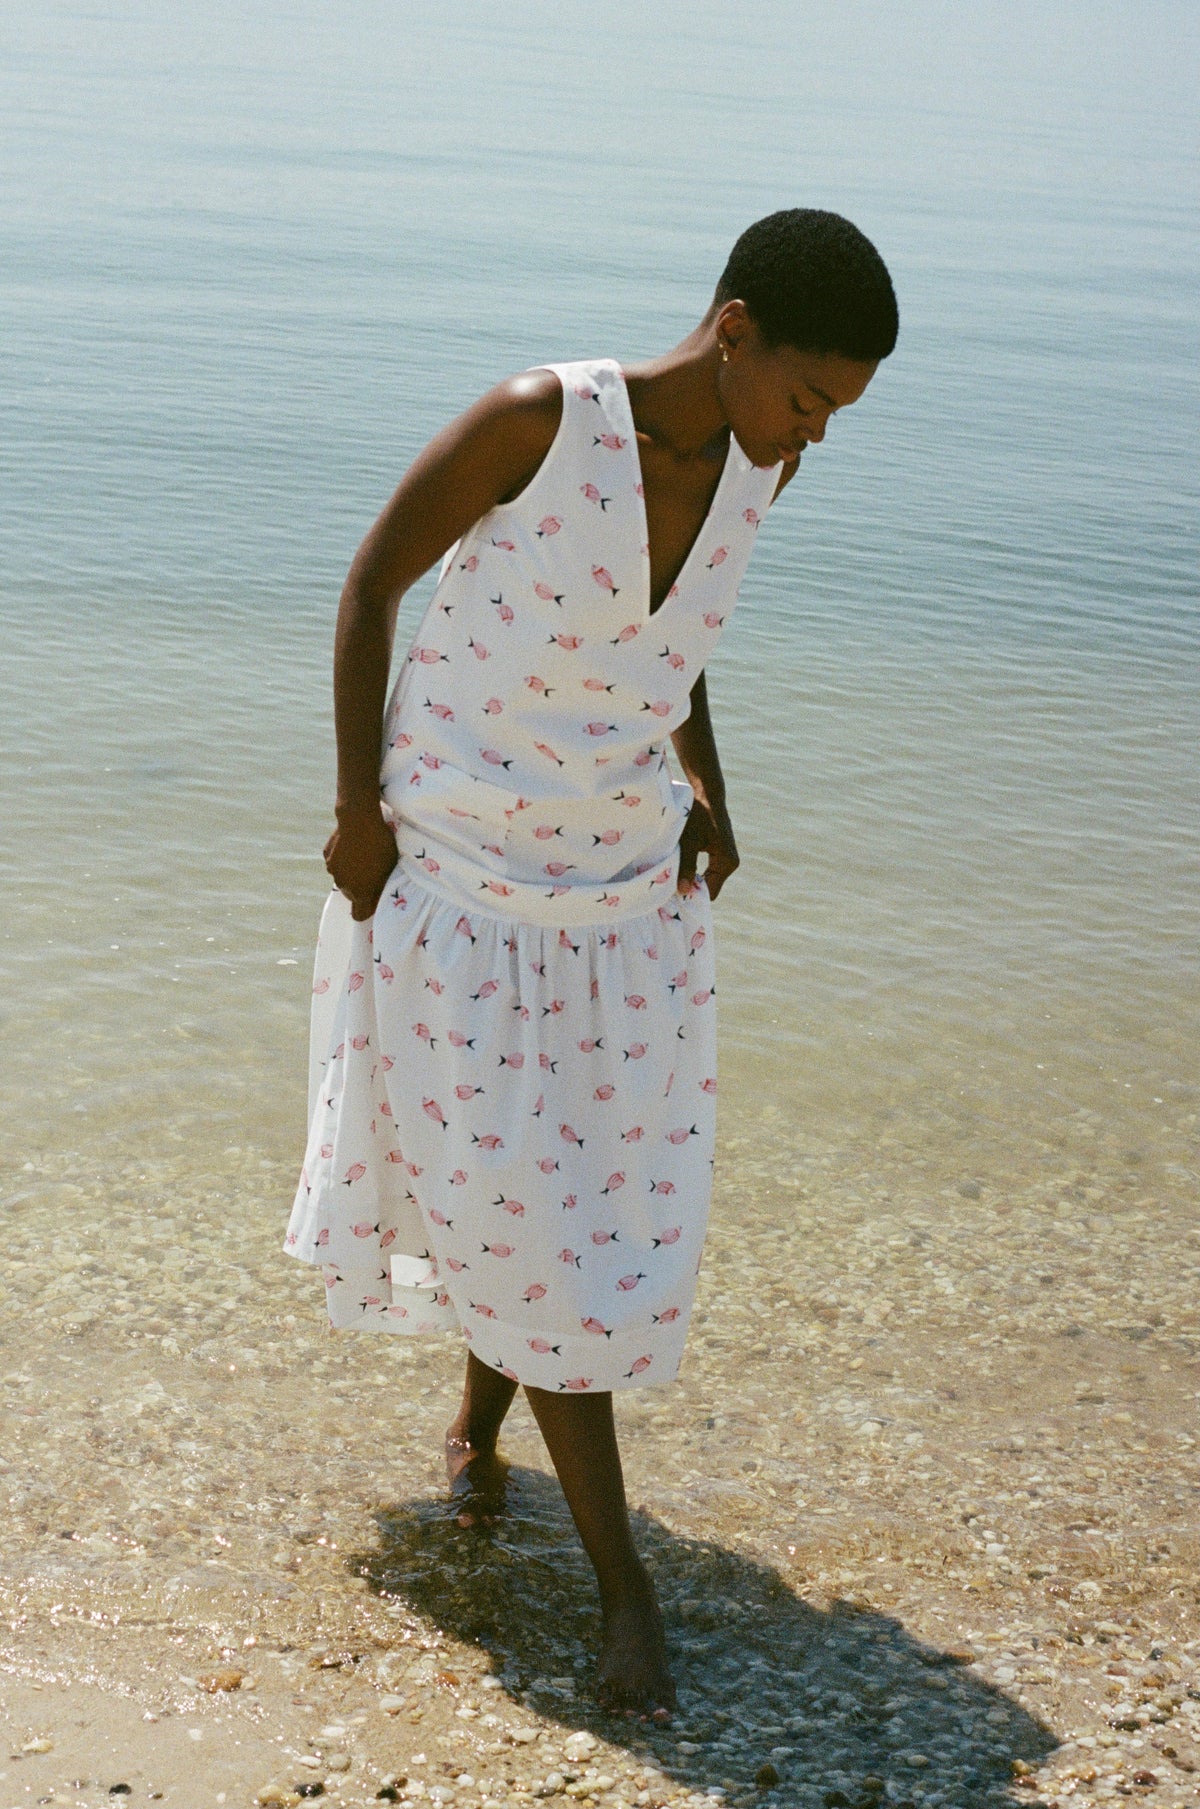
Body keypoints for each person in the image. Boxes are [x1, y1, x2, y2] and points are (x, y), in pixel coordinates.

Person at [286, 208, 898, 1713]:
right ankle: (624, 1593)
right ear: (737, 327)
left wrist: (713, 791)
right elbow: (372, 585)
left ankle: (481, 1433)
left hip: (621, 883)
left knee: (565, 1187)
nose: (815, 436)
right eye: (811, 395)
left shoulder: (759, 467)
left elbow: (667, 643)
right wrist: (357, 812)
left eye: (837, 415)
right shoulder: (541, 422)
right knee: (527, 1196)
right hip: (464, 877)